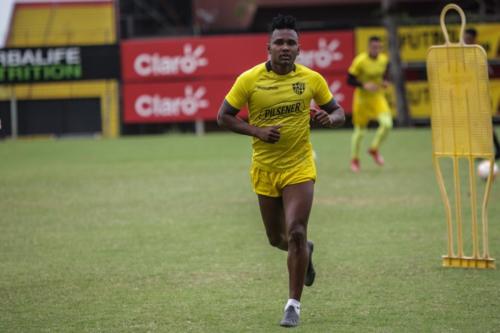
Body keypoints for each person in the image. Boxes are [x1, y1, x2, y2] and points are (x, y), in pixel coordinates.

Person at [217, 14, 345, 328]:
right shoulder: (249, 80)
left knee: (297, 231)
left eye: (291, 43)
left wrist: (331, 120)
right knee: (277, 239)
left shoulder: (311, 79)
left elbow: (338, 111)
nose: (285, 48)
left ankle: (293, 306)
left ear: (299, 49)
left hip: (299, 167)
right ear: (268, 47)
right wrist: (256, 131)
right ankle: (304, 251)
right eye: (279, 42)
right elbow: (223, 117)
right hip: (265, 169)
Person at [347, 36, 392, 173]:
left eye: (379, 47)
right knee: (360, 132)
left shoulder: (384, 60)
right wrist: (364, 85)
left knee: (387, 124)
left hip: (377, 97)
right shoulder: (360, 61)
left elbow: (385, 74)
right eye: (373, 47)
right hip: (362, 99)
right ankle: (354, 159)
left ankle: (374, 149)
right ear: (368, 47)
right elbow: (349, 80)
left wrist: (385, 81)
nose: (376, 49)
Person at [464, 27, 500, 161]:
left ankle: (495, 148)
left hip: (480, 94)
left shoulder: (478, 52)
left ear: (474, 39)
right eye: (464, 38)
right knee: (474, 123)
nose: (465, 41)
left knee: (484, 122)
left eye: (468, 39)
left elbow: (488, 71)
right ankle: (482, 151)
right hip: (470, 94)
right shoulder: (465, 53)